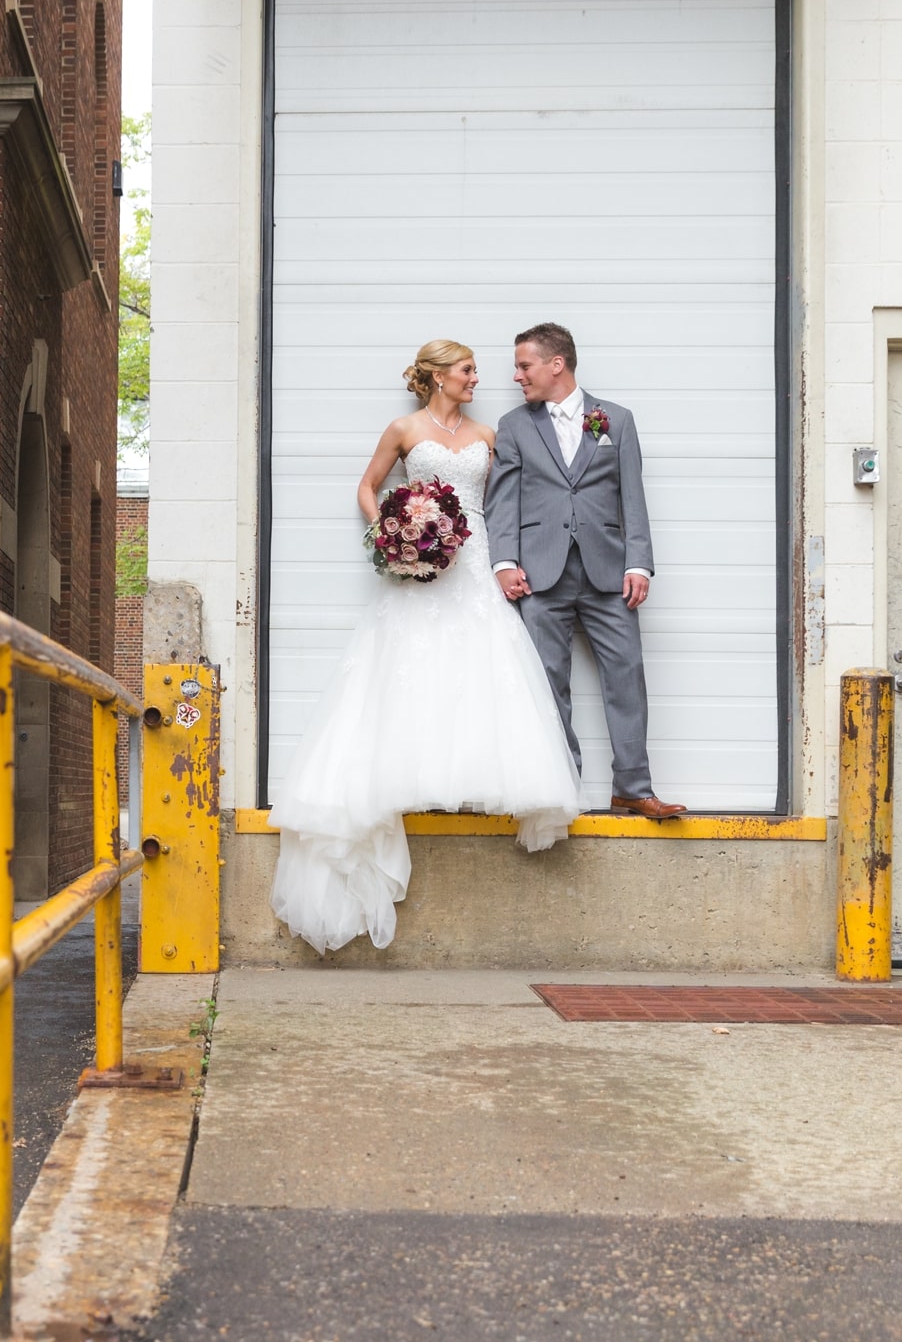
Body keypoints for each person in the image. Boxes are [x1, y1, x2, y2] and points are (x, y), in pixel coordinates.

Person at [270, 341, 581, 957]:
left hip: (474, 565)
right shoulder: (404, 429)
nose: (476, 379)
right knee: (408, 669)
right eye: (467, 370)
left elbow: (509, 501)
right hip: (418, 569)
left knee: (480, 669)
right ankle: (405, 775)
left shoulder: (492, 435)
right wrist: (393, 534)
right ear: (439, 375)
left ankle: (464, 774)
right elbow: (367, 486)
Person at [486, 323, 686, 823]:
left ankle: (634, 788)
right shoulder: (513, 426)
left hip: (609, 573)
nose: (516, 376)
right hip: (539, 575)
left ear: (557, 364)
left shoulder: (615, 420)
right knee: (547, 684)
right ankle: (562, 790)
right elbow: (502, 501)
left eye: (524, 365)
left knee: (627, 676)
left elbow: (632, 497)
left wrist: (639, 562)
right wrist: (504, 563)